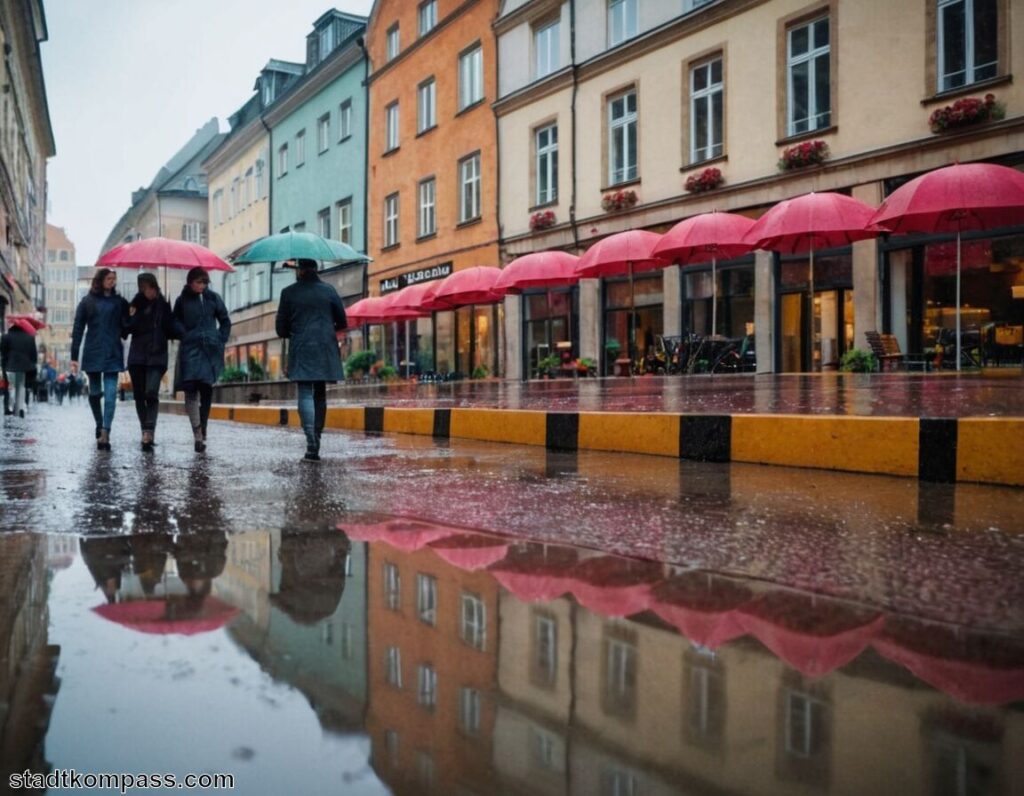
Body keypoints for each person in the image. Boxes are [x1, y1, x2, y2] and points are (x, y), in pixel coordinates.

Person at [275, 259, 347, 461]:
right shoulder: (329, 290)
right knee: (320, 393)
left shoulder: (288, 292)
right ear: (316, 270)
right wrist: (325, 327)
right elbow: (342, 321)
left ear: (300, 271)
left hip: (301, 346)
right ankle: (317, 436)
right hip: (325, 346)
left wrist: (295, 328)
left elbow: (280, 329)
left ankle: (310, 441)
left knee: (305, 391)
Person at [70, 268, 130, 450]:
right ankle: (99, 423)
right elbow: (78, 329)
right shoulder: (87, 302)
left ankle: (105, 431)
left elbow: (126, 329)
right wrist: (74, 356)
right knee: (95, 394)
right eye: (109, 278)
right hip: (93, 351)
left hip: (112, 352)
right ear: (101, 280)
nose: (112, 281)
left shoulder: (119, 302)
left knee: (111, 395)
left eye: (114, 279)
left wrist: (130, 317)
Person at [173, 266, 231, 452]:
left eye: (205, 282)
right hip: (190, 349)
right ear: (190, 282)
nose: (202, 286)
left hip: (210, 350)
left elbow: (225, 320)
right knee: (191, 390)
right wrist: (185, 334)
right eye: (199, 282)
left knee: (206, 390)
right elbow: (175, 321)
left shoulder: (213, 298)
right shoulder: (182, 300)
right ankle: (197, 432)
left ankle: (203, 428)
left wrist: (220, 338)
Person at [127, 272, 182, 451]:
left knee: (151, 392)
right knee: (139, 396)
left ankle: (149, 429)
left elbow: (171, 329)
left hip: (156, 356)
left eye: (149, 287)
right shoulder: (135, 305)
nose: (147, 291)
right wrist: (131, 315)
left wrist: (179, 328)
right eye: (143, 288)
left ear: (155, 286)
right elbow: (126, 328)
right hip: (137, 357)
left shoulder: (163, 305)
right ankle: (145, 431)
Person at [0, 319, 37, 418]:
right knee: (21, 387)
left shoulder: (6, 337)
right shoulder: (30, 338)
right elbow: (34, 356)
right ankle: (21, 407)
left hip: (10, 366)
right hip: (25, 367)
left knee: (11, 387)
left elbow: (3, 353)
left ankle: (10, 407)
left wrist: (4, 366)